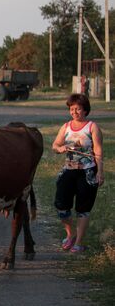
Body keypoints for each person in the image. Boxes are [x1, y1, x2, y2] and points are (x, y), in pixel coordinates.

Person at [52, 93, 104, 253]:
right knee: (61, 206)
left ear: (85, 110)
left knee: (83, 209)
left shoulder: (92, 127)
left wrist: (100, 172)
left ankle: (78, 243)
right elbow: (55, 144)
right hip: (68, 171)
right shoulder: (66, 127)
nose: (74, 112)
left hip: (87, 173)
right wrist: (59, 148)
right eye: (72, 109)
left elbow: (98, 150)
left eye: (78, 109)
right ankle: (70, 234)